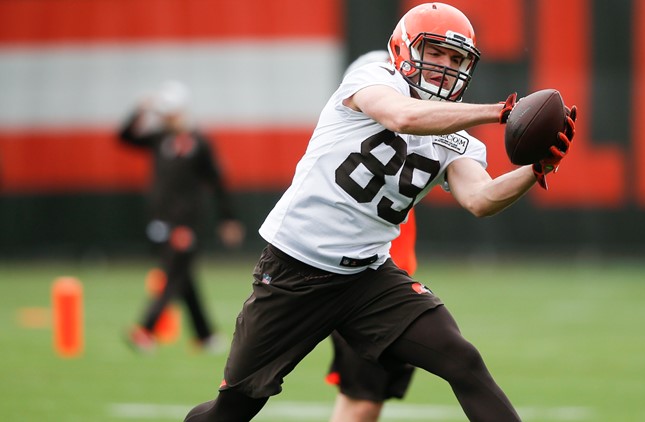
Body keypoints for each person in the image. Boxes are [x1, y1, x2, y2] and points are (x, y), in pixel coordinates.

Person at [185, 3, 576, 421]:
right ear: (403, 50)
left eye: (457, 59)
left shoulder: (457, 136)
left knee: (462, 360)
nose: (447, 66)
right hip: (295, 270)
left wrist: (537, 170)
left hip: (366, 278)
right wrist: (498, 112)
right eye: (437, 52)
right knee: (232, 410)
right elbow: (402, 116)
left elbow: (481, 198)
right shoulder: (372, 79)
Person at [325, 50, 419, 422]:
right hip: (367, 289)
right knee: (362, 401)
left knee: (364, 399)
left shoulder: (396, 146)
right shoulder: (363, 147)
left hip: (383, 285)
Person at [119, 80, 245, 353]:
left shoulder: (198, 142)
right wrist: (140, 109)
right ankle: (205, 336)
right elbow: (124, 137)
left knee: (174, 276)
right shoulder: (159, 138)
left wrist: (228, 218)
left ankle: (145, 330)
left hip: (186, 223)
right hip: (160, 222)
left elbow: (217, 181)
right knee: (183, 278)